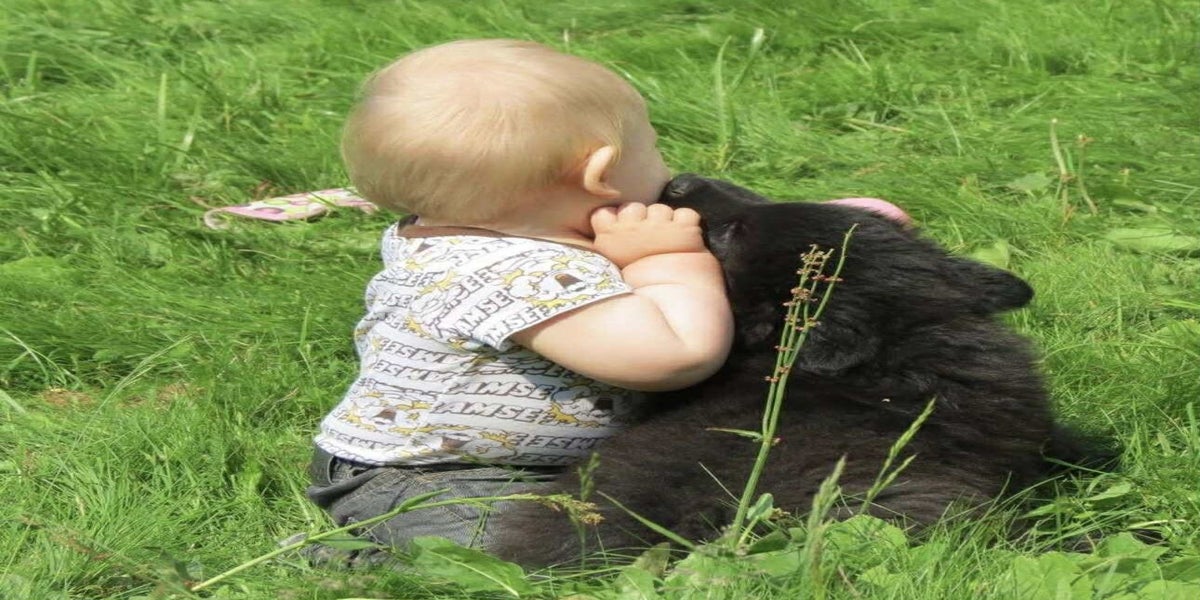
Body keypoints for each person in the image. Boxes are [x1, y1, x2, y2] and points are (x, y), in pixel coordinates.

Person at [301, 38, 734, 560]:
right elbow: (675, 355)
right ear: (600, 174)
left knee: (620, 519)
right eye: (655, 148)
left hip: (482, 463)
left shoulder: (455, 235)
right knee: (543, 552)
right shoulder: (520, 275)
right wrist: (666, 260)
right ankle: (354, 561)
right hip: (427, 476)